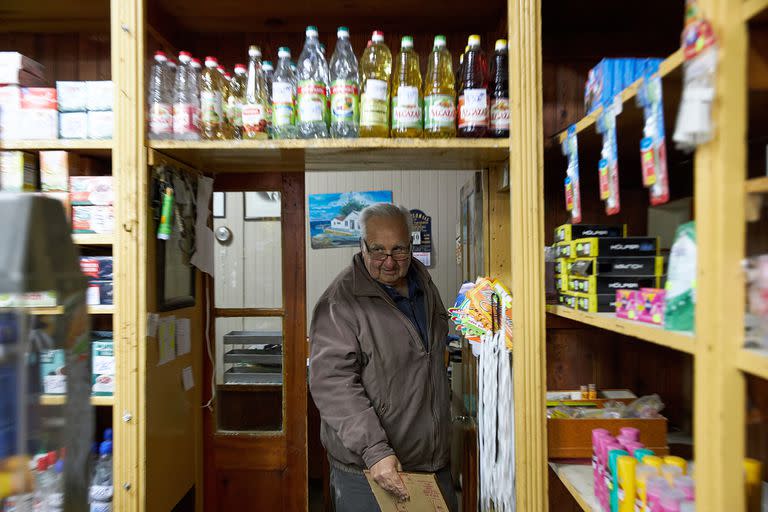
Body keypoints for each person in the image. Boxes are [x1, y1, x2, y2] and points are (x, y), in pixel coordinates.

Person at [309, 203, 458, 512]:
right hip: (371, 470)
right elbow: (332, 383)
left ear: (411, 245)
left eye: (399, 250)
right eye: (378, 251)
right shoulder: (339, 302)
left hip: (431, 463)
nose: (389, 263)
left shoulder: (422, 282)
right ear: (362, 246)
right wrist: (375, 450)